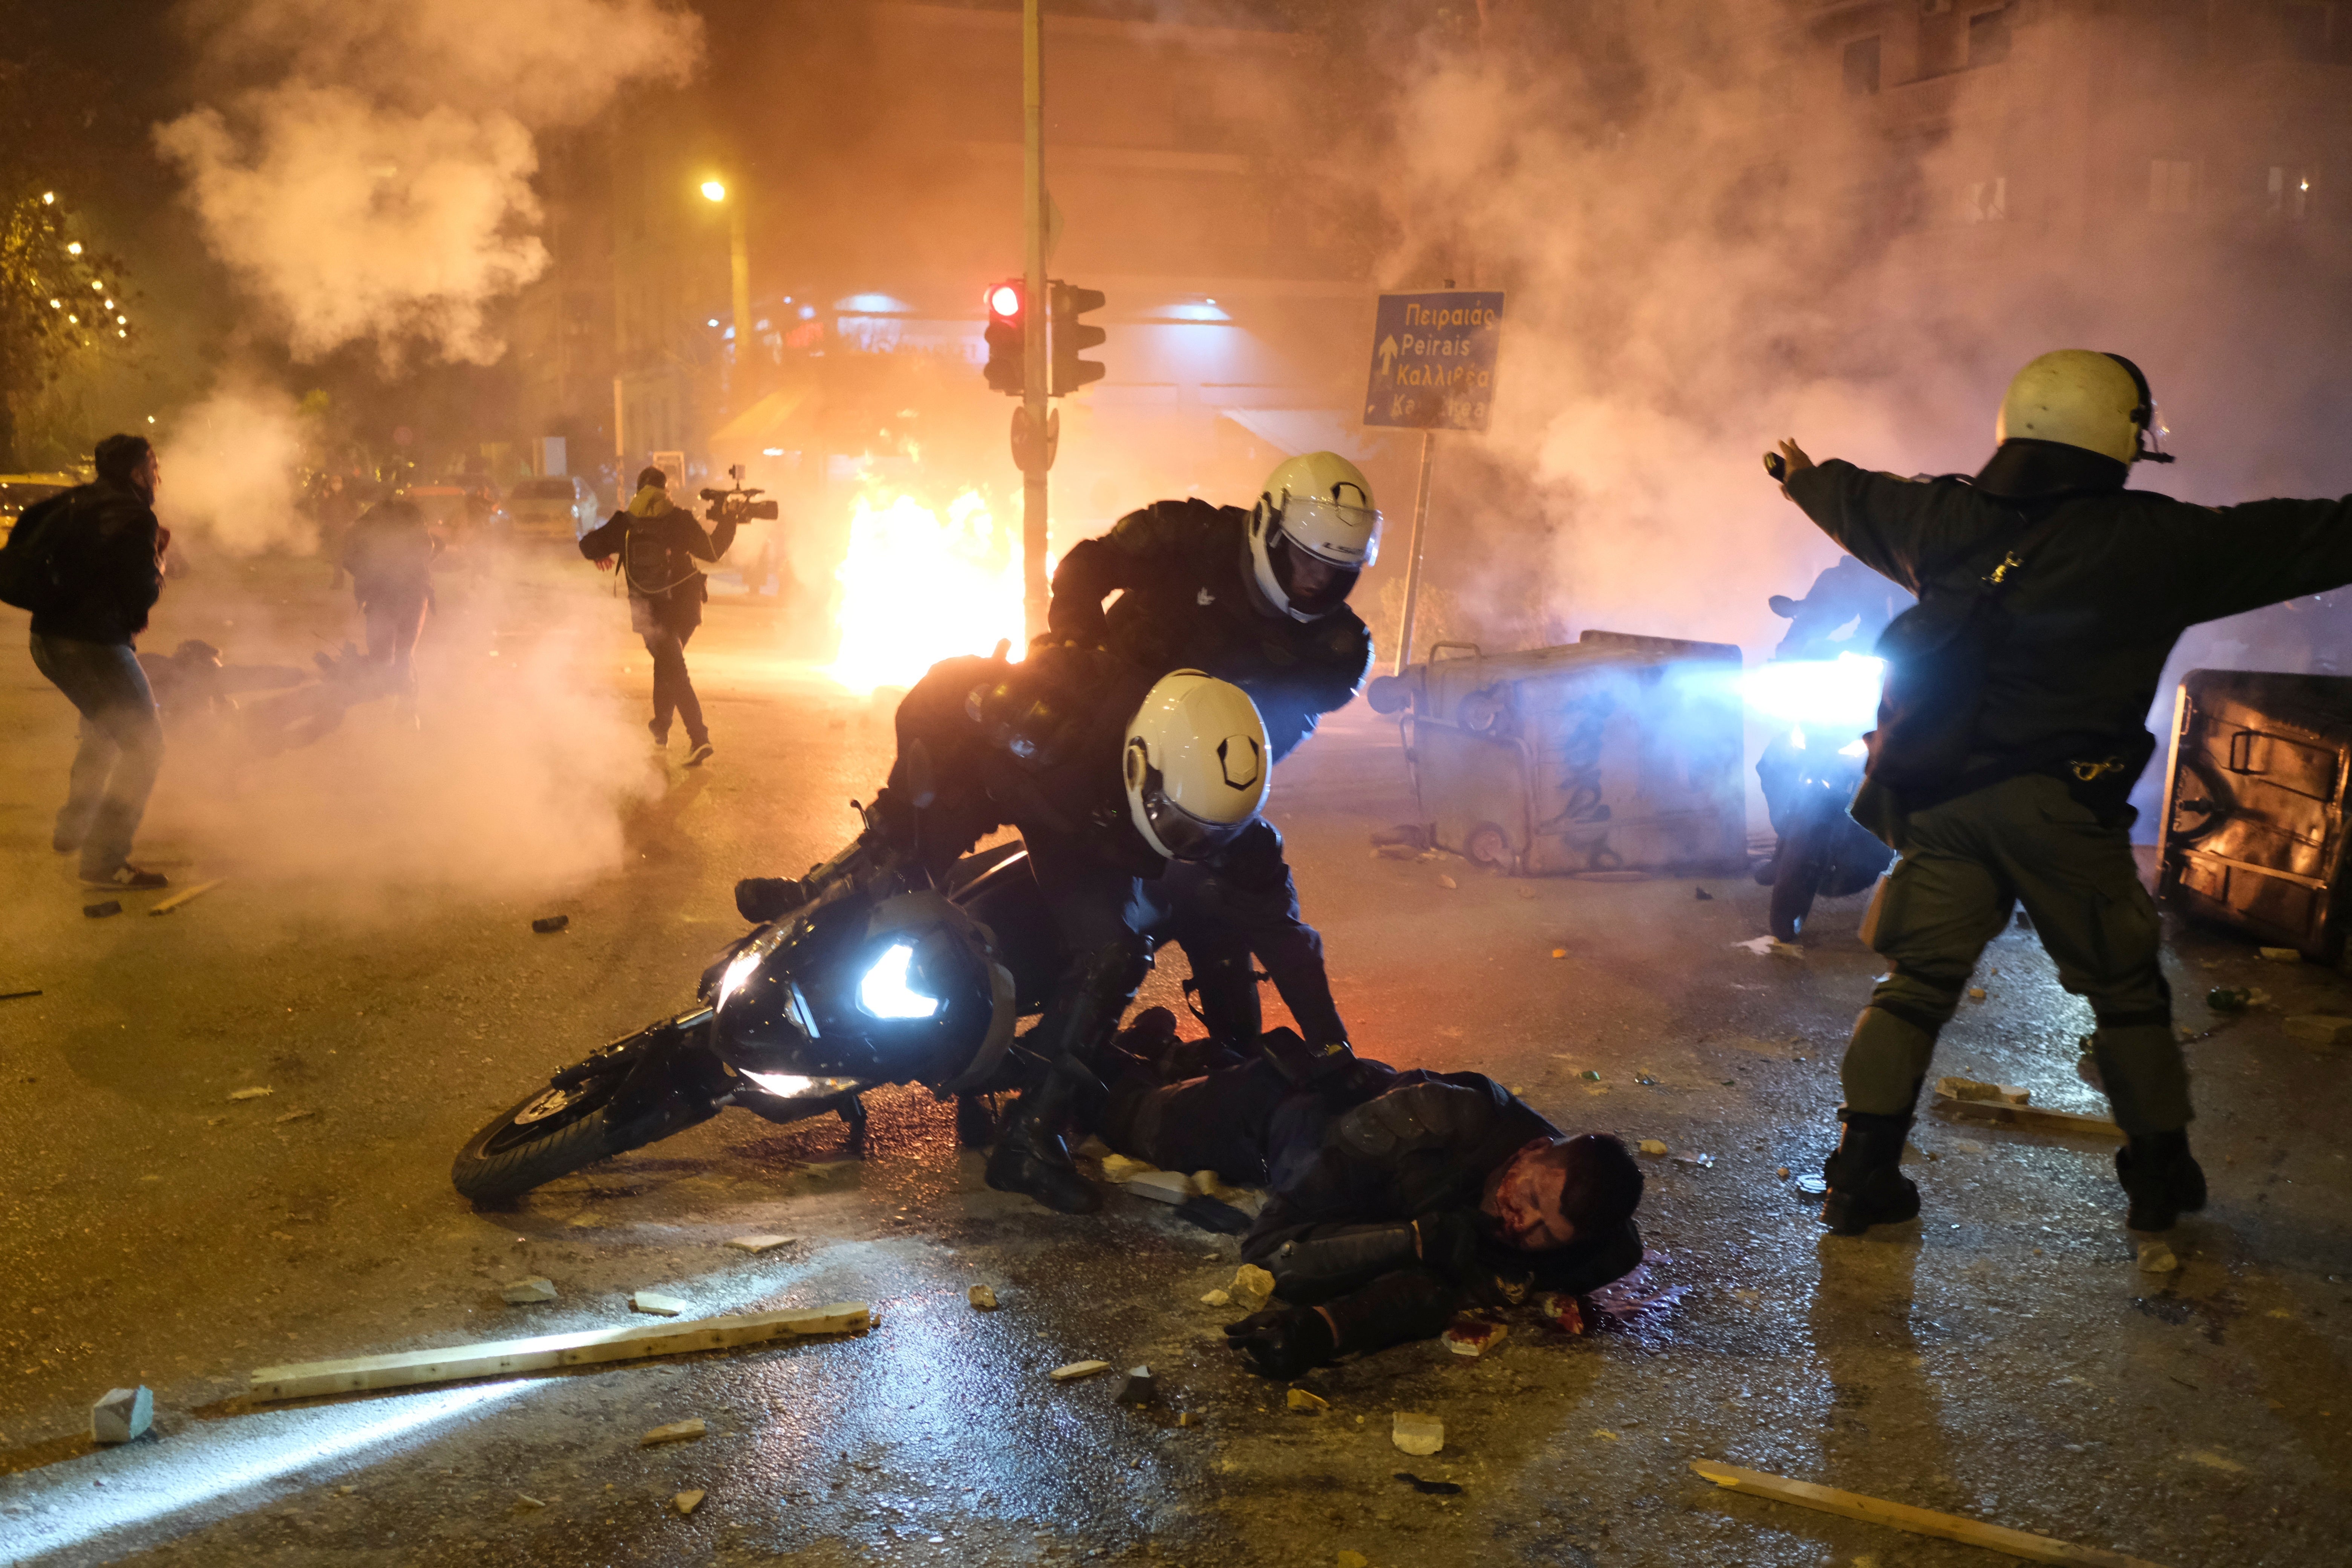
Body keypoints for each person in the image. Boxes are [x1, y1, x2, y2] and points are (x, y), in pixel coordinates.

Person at [1773, 348, 2352, 1236]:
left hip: (1942, 803)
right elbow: (2300, 536)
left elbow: (1861, 501)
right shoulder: (2155, 543)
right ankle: (2158, 1179)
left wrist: (1805, 479)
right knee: (2124, 992)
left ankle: (1859, 1177)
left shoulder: (1943, 516)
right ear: (2112, 437)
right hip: (2059, 810)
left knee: (1914, 984)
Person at [737, 643, 1281, 1214]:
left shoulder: (1209, 824)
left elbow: (1277, 939)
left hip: (1047, 823)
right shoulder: (1054, 734)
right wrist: (904, 821)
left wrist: (1260, 1060)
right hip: (963, 776)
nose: (1192, 845)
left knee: (1110, 950)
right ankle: (811, 897)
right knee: (899, 867)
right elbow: (946, 723)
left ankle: (1026, 1133)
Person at [1047, 452, 1382, 1071]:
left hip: (1187, 773)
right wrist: (1074, 646)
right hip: (1093, 731)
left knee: (1233, 889)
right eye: (1304, 558)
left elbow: (1272, 739)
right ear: (1269, 531)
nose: (1314, 580)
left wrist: (1210, 794)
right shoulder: (1187, 535)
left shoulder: (1338, 649)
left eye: (1333, 569)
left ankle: (1267, 1057)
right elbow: (1085, 566)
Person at [1093, 1021, 1644, 1375]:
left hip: (1356, 1136)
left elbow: (1435, 1291)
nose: (1521, 1227)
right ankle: (1097, 1057)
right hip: (1283, 1119)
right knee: (1120, 1112)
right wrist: (1415, 1239)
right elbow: (1269, 1250)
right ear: (1529, 1151)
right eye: (1528, 1196)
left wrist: (1327, 1330)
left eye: (1546, 1232)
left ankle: (1168, 1054)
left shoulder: (1596, 1248)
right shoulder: (1430, 1120)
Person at [21, 434, 171, 891]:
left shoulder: (77, 503)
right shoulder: (135, 517)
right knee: (146, 745)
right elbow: (141, 592)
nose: (158, 475)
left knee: (104, 726)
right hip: (94, 645)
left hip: (47, 640)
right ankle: (105, 859)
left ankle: (75, 825)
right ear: (135, 473)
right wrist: (160, 558)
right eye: (153, 466)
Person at [579, 466, 739, 766]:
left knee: (673, 669)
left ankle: (699, 738)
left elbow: (586, 545)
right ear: (666, 490)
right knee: (668, 666)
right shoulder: (679, 519)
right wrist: (730, 518)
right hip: (687, 607)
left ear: (639, 491)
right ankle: (661, 728)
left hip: (650, 612)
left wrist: (602, 553)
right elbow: (714, 550)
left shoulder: (624, 523)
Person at [339, 498, 439, 710]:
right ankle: (406, 709)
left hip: (381, 594)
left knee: (382, 655)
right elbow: (434, 546)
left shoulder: (368, 524)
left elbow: (347, 555)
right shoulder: (412, 517)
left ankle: (386, 702)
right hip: (413, 592)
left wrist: (366, 573)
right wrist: (420, 568)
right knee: (405, 653)